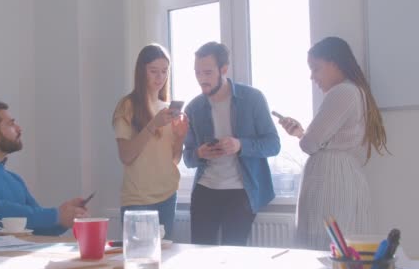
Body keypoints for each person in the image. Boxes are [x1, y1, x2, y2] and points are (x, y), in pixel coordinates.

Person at [277, 36, 388, 250]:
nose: (313, 77)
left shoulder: (342, 92)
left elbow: (310, 145)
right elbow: (326, 141)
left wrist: (305, 137)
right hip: (342, 176)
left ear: (334, 63)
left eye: (316, 68)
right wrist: (301, 133)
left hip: (331, 180)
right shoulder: (356, 92)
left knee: (325, 250)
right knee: (343, 250)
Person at [183, 41, 280, 245]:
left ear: (224, 69)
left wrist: (240, 145)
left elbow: (273, 144)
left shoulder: (252, 99)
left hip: (241, 193)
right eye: (197, 73)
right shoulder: (193, 108)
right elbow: (188, 159)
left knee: (234, 259)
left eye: (208, 73)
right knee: (199, 258)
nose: (202, 79)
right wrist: (199, 154)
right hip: (205, 191)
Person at [0, 101, 88, 235]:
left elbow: (38, 228)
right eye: (11, 124)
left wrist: (67, 217)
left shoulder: (14, 179)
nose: (19, 129)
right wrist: (56, 215)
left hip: (17, 258)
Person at [112, 44, 189, 240]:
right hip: (138, 199)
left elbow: (174, 159)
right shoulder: (127, 106)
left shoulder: (167, 109)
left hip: (167, 195)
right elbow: (126, 156)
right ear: (141, 71)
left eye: (164, 71)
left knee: (164, 259)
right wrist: (152, 125)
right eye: (153, 71)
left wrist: (180, 136)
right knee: (140, 259)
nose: (159, 77)